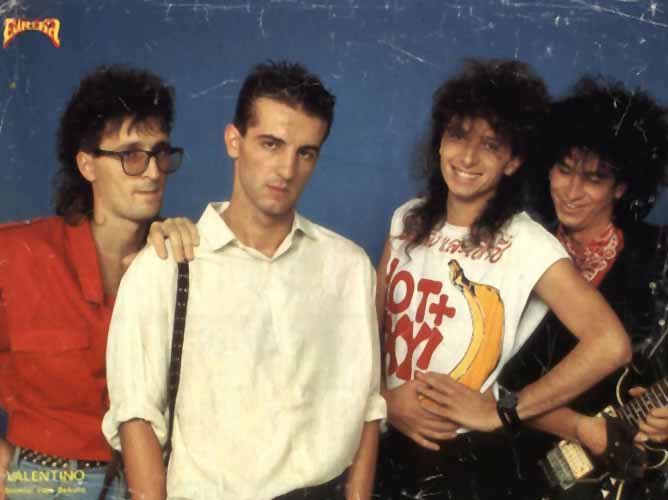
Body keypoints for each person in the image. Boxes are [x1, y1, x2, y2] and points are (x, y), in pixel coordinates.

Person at [102, 61, 385, 500]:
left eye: (305, 153)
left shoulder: (347, 266)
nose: (286, 169)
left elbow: (367, 407)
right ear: (234, 141)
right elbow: (136, 417)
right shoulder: (167, 266)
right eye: (271, 144)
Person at [372, 59, 632, 500]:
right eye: (457, 135)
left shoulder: (528, 243)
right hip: (384, 434)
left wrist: (504, 412)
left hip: (461, 462)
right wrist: (384, 400)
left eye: (490, 145)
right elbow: (370, 328)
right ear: (440, 141)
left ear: (513, 160)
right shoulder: (407, 218)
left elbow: (610, 344)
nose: (467, 158)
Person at [0, 65, 180, 500]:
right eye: (131, 155)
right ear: (86, 164)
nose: (153, 172)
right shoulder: (18, 254)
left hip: (156, 484)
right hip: (44, 482)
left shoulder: (180, 261)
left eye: (159, 153)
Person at [500, 77, 668, 500]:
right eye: (564, 169)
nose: (572, 191)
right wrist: (577, 427)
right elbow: (491, 385)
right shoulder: (517, 247)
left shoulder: (658, 254)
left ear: (622, 186)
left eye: (593, 178)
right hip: (510, 462)